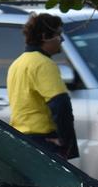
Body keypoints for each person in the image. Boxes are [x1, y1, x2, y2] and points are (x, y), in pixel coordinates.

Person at [6, 13, 79, 159]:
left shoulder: (17, 64)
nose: (62, 39)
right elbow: (61, 104)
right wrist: (66, 143)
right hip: (43, 141)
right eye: (59, 34)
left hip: (21, 140)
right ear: (45, 36)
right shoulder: (44, 64)